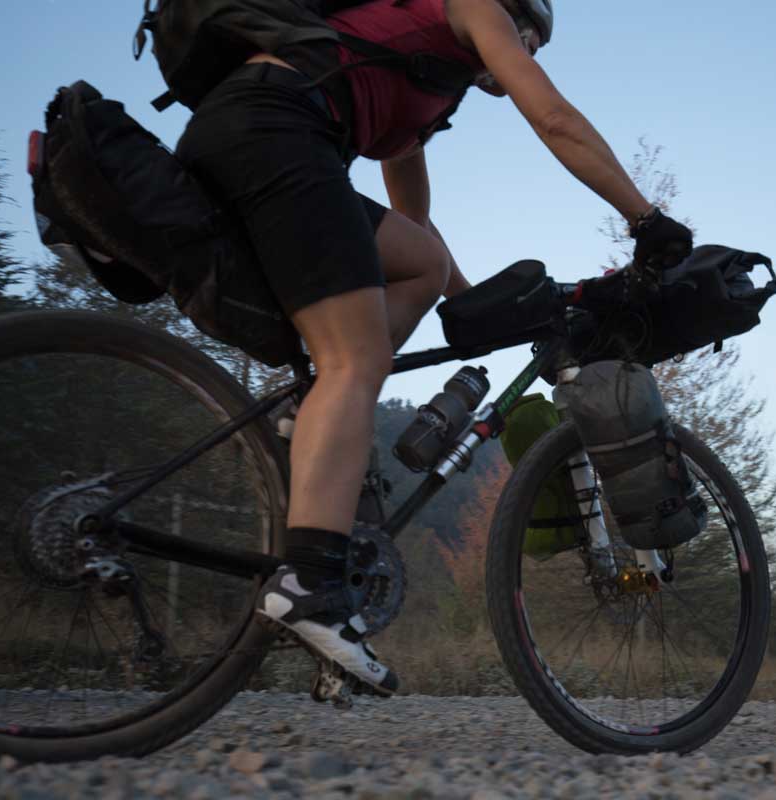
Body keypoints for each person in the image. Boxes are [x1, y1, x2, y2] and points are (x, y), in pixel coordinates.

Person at [175, 0, 694, 696]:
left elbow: (415, 236)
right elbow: (554, 118)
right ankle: (307, 582)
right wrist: (645, 217)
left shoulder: (415, 80)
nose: (526, 52)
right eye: (530, 37)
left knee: (410, 268)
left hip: (250, 129)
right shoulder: (474, 7)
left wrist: (480, 304)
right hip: (275, 130)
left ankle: (318, 425)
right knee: (353, 361)